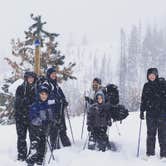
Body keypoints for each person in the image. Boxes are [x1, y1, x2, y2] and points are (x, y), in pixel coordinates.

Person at [140, 68, 166, 160]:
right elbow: (143, 99)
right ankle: (150, 153)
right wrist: (142, 111)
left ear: (156, 75)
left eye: (153, 74)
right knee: (151, 133)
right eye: (150, 74)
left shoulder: (162, 84)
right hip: (150, 113)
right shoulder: (146, 86)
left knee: (162, 134)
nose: (151, 76)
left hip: (161, 113)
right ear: (148, 76)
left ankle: (164, 154)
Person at [43, 67, 71, 149]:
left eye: (55, 74)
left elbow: (62, 96)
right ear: (49, 75)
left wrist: (64, 101)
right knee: (53, 129)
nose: (54, 75)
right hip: (51, 111)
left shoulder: (56, 85)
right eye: (52, 74)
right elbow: (45, 100)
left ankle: (67, 146)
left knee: (62, 127)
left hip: (59, 110)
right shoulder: (46, 85)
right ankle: (55, 147)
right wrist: (56, 101)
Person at [14, 71, 37, 161]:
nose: (31, 79)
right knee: (21, 137)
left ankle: (32, 155)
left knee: (34, 137)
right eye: (29, 77)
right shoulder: (20, 88)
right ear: (26, 78)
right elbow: (17, 102)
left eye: (32, 77)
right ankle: (21, 155)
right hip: (21, 117)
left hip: (33, 117)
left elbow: (39, 101)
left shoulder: (37, 88)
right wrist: (24, 101)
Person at [26, 86, 51, 166]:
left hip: (44, 132)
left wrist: (52, 122)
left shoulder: (47, 105)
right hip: (35, 132)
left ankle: (40, 162)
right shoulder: (35, 105)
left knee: (42, 150)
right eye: (42, 94)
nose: (44, 96)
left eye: (45, 94)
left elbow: (50, 117)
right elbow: (32, 119)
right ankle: (30, 163)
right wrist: (41, 123)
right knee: (34, 150)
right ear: (39, 94)